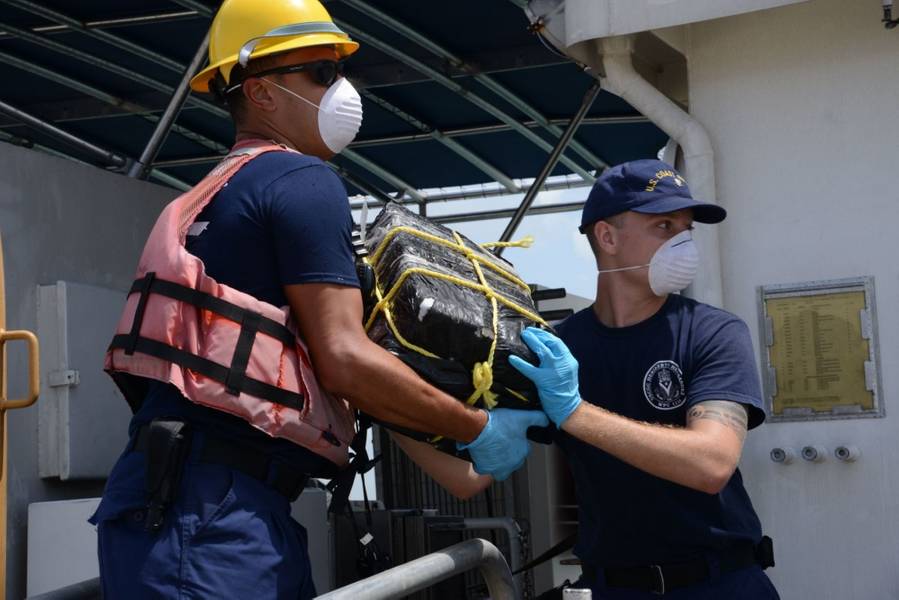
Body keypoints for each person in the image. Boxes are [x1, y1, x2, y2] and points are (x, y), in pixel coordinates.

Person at [90, 1, 545, 597]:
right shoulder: (302, 182)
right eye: (322, 74)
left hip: (185, 504)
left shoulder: (217, 191)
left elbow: (325, 368)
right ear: (261, 92)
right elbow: (344, 358)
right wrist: (476, 426)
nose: (343, 90)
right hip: (215, 520)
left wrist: (463, 458)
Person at [509, 160, 780, 599]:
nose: (684, 242)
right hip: (613, 587)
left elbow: (712, 463)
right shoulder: (558, 350)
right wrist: (373, 387)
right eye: (665, 225)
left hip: (720, 583)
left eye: (687, 228)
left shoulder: (713, 332)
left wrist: (575, 414)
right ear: (607, 237)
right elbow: (471, 475)